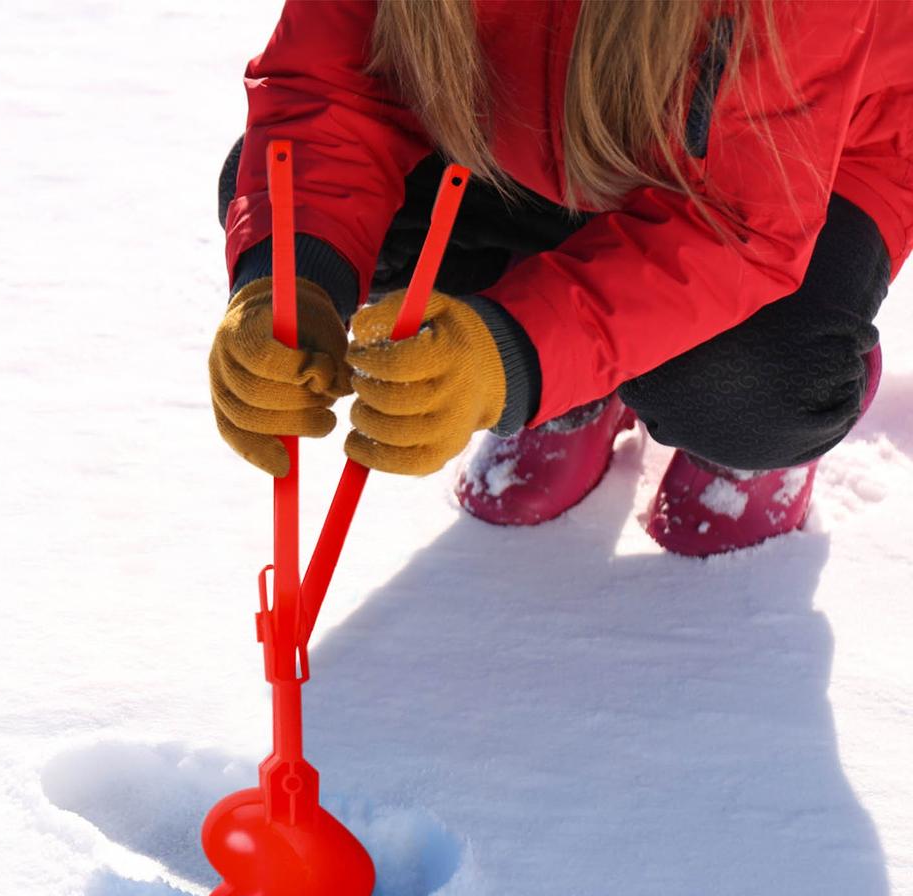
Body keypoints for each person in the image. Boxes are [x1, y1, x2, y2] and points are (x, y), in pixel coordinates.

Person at [209, 0, 912, 556]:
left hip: (803, 163)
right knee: (308, 218)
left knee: (749, 388)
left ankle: (749, 443)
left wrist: (511, 358)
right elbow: (335, 90)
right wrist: (287, 277)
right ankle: (575, 383)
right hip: (533, 133)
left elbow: (734, 226)